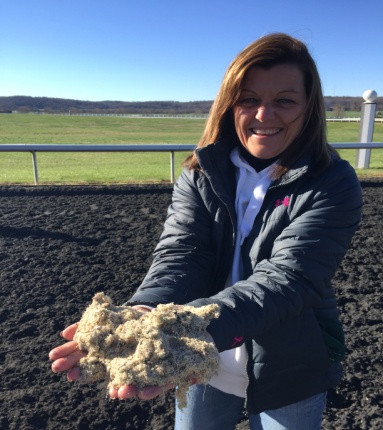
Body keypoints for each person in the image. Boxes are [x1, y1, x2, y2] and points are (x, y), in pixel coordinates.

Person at [49, 33, 363, 429]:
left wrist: (183, 328)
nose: (264, 115)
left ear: (308, 108)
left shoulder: (332, 181)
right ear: (230, 105)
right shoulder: (200, 173)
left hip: (289, 366)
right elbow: (182, 253)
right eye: (249, 99)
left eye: (284, 100)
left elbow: (289, 279)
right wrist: (144, 310)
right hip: (200, 363)